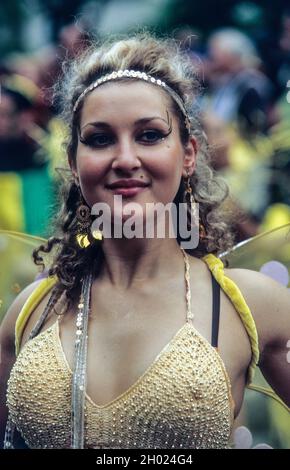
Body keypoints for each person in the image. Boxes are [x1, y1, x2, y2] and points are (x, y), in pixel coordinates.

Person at [0, 32, 289, 450]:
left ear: (188, 154)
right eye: (100, 139)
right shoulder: (30, 311)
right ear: (73, 163)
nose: (125, 159)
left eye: (150, 135)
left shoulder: (252, 304)